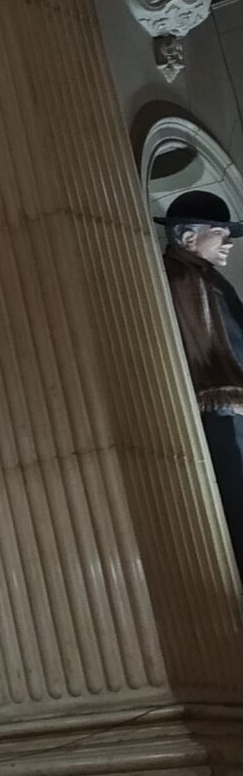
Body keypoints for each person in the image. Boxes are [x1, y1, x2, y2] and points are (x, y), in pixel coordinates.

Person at [161, 191, 243, 534]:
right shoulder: (182, 278)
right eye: (219, 233)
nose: (229, 242)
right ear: (189, 237)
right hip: (221, 409)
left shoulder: (209, 279)